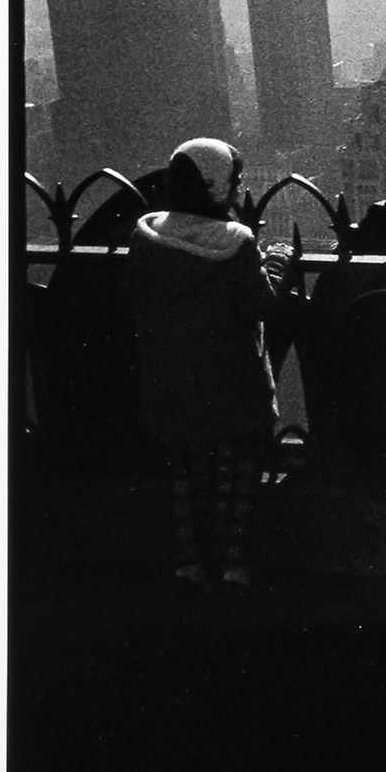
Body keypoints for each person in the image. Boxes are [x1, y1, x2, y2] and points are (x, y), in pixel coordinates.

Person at [126, 138, 293, 594]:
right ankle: (232, 567)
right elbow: (262, 304)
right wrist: (277, 262)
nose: (240, 191)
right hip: (232, 387)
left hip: (170, 386)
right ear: (216, 186)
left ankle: (188, 565)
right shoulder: (234, 245)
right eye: (236, 182)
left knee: (184, 479)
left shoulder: (146, 241)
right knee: (234, 482)